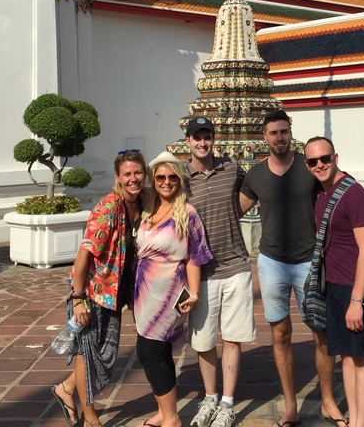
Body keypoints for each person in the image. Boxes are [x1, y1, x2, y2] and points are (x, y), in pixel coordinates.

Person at [239, 111, 345, 427]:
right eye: (273, 133)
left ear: (290, 133)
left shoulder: (309, 166)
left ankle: (327, 401)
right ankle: (290, 407)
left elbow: (340, 188)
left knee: (321, 332)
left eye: (284, 131)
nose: (279, 138)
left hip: (308, 261)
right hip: (271, 262)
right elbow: (234, 210)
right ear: (265, 137)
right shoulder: (256, 175)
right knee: (281, 334)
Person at [52, 150, 146, 427]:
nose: (133, 179)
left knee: (106, 355)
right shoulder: (108, 208)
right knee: (89, 355)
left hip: (113, 292)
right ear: (117, 177)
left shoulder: (141, 202)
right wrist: (78, 298)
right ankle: (90, 417)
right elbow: (85, 253)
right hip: (91, 292)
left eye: (138, 173)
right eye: (127, 174)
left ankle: (65, 389)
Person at [303, 137, 364, 427]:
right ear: (307, 165)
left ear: (335, 157)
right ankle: (354, 419)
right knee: (347, 357)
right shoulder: (322, 192)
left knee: (361, 358)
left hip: (357, 288)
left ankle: (362, 423)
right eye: (313, 161)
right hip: (334, 286)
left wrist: (356, 301)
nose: (320, 165)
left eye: (325, 158)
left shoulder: (354, 194)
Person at [183, 116, 256, 427]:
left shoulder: (230, 168)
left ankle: (227, 403)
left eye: (207, 137)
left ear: (214, 139)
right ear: (187, 141)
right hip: (201, 271)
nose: (202, 143)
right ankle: (209, 398)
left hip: (236, 264)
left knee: (234, 337)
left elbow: (252, 190)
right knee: (204, 341)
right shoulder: (180, 177)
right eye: (197, 138)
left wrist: (230, 214)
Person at [135, 151, 213, 427]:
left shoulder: (187, 213)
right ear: (153, 180)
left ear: (179, 180)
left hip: (170, 292)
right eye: (160, 177)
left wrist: (194, 293)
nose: (166, 182)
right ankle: (163, 411)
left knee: (149, 353)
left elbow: (194, 255)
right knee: (161, 352)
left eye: (171, 177)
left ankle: (171, 418)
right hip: (144, 293)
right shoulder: (146, 208)